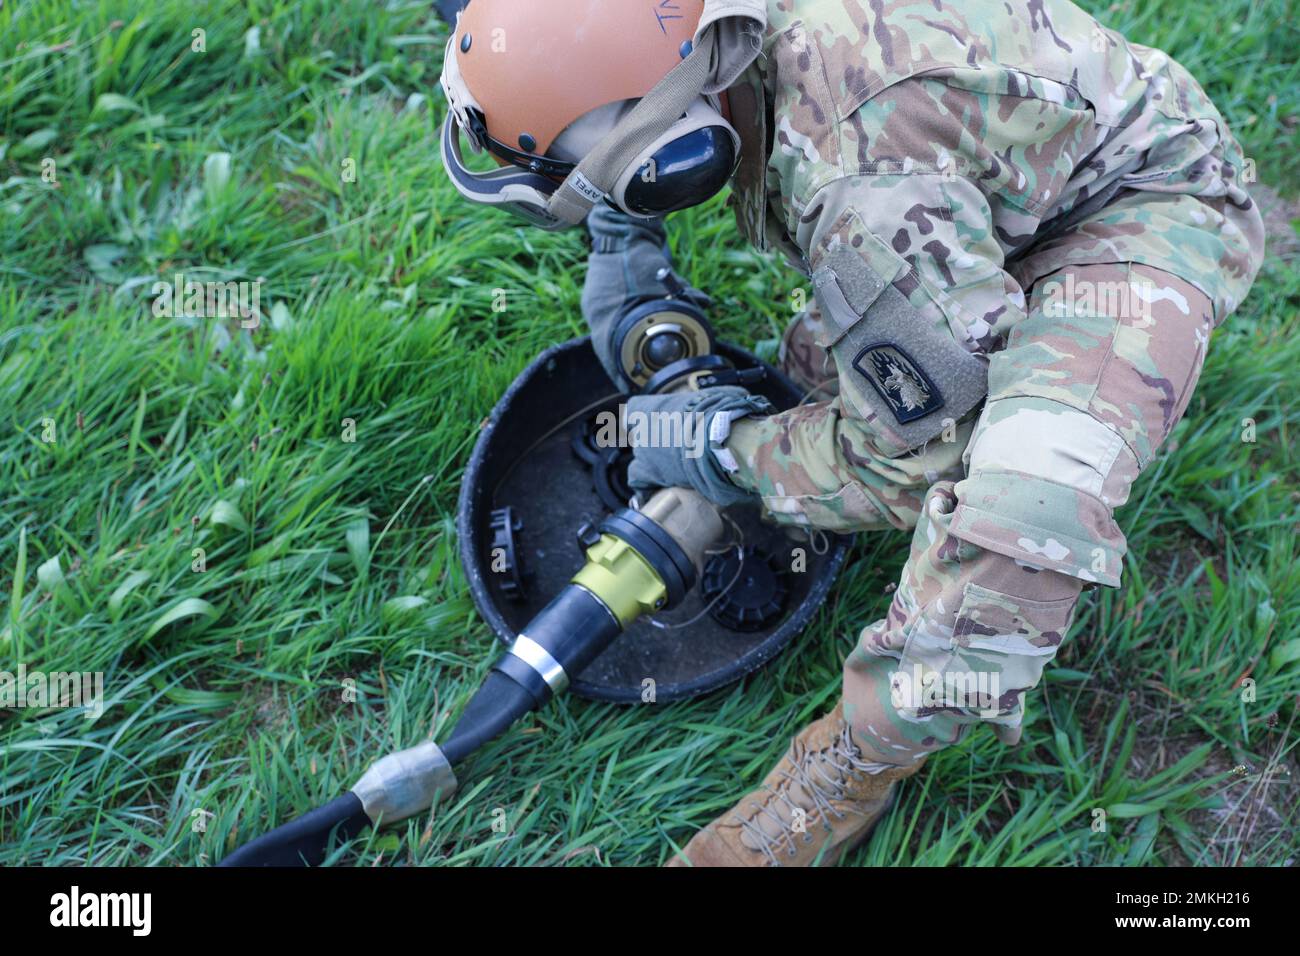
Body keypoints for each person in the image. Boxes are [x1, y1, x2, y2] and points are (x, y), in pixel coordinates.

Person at [439, 0, 1264, 866]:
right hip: (1009, 146)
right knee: (859, 361)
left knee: (1020, 512)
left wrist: (726, 452)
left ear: (671, 156)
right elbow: (615, 58)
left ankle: (854, 765)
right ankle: (966, 300)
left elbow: (920, 461)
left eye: (606, 183)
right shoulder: (701, 32)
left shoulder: (852, 181)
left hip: (1136, 206)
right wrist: (621, 237)